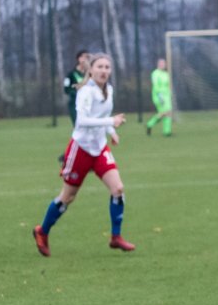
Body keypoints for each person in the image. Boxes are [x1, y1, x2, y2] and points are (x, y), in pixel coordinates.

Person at [33, 52, 136, 256]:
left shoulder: (109, 90)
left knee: (118, 189)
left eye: (107, 67)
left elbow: (103, 116)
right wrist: (110, 123)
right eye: (100, 67)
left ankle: (116, 237)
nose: (104, 71)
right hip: (80, 150)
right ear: (91, 70)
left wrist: (111, 132)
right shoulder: (85, 92)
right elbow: (82, 121)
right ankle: (42, 231)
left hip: (99, 149)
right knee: (67, 197)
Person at [147, 57, 173, 136]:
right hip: (159, 95)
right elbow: (155, 85)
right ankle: (149, 124)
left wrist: (170, 93)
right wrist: (159, 95)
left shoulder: (166, 74)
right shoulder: (155, 73)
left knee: (168, 113)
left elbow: (168, 85)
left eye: (164, 63)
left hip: (167, 96)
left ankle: (167, 131)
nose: (163, 65)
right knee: (164, 112)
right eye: (161, 63)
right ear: (158, 64)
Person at [63, 50, 89, 127]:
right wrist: (75, 92)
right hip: (75, 104)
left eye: (87, 57)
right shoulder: (71, 74)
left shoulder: (90, 73)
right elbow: (66, 89)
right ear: (78, 58)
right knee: (79, 126)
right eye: (84, 56)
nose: (85, 59)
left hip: (88, 103)